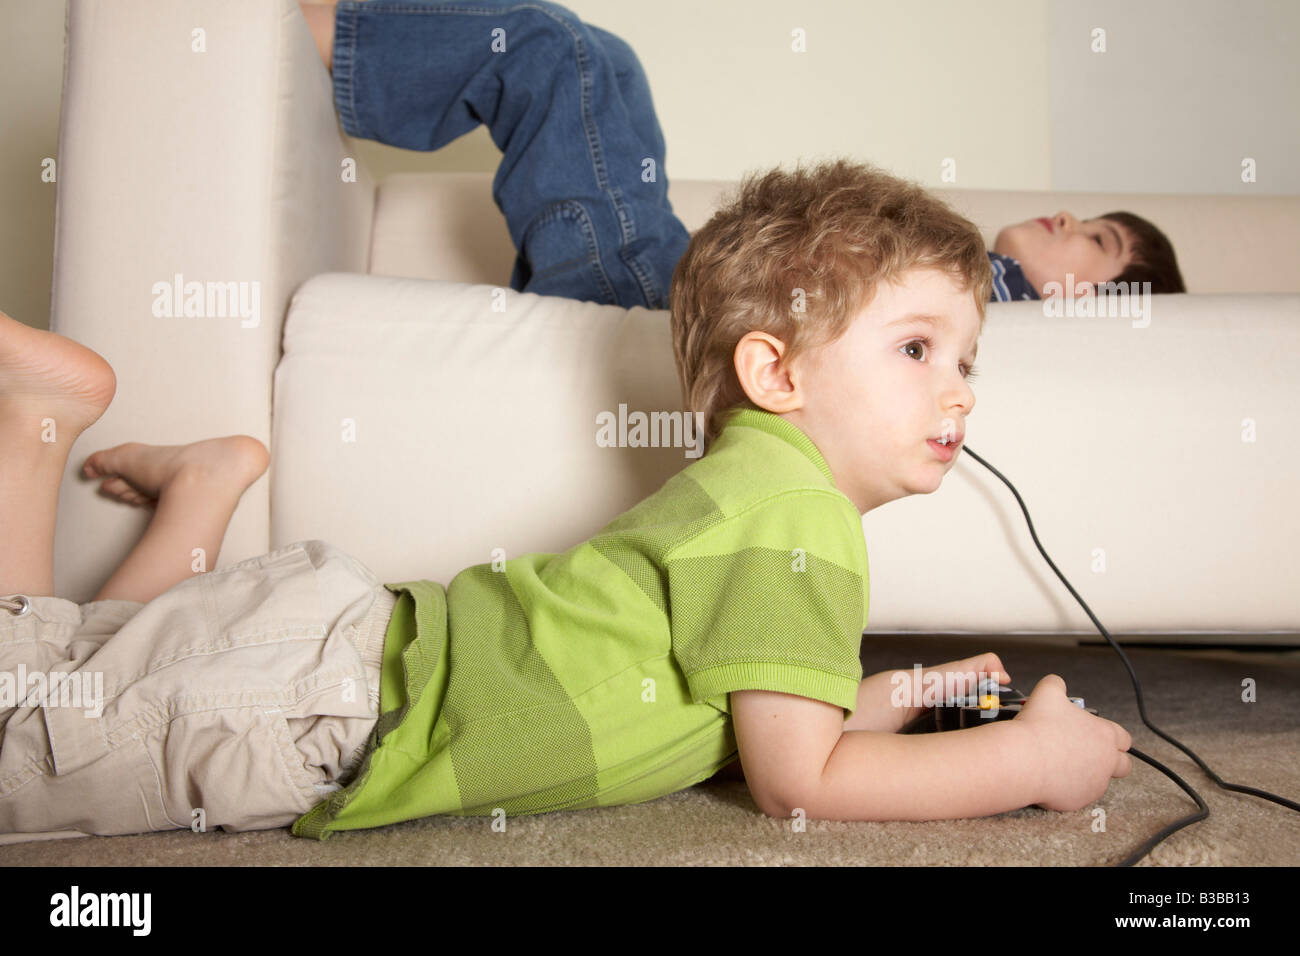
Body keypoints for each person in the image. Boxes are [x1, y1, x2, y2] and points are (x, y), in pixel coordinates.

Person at [0, 157, 1133, 841]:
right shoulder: (798, 518)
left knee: (48, 662)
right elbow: (801, 776)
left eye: (968, 361)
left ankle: (113, 458)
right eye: (918, 349)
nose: (958, 393)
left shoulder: (754, 496)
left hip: (331, 646)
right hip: (325, 701)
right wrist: (1029, 764)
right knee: (23, 742)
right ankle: (53, 434)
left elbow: (771, 712)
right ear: (775, 373)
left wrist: (915, 691)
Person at [297, 1, 1184, 311]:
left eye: (1098, 242)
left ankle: (310, 34)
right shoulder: (966, 273)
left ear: (1095, 310)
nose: (1071, 218)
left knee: (560, 54)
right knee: (609, 66)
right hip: (678, 277)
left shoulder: (997, 312)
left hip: (665, 306)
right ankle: (335, 38)